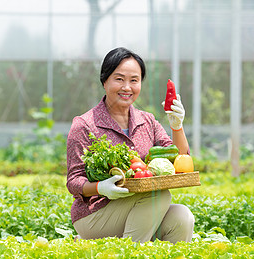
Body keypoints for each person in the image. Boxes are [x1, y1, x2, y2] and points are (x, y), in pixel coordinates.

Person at [66, 47, 194, 244]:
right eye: (119, 79)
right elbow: (74, 182)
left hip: (139, 207)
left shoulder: (147, 121)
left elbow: (180, 160)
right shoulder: (84, 125)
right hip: (95, 214)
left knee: (182, 217)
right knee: (158, 196)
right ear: (104, 80)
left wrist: (177, 127)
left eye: (134, 80)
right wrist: (101, 187)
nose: (127, 87)